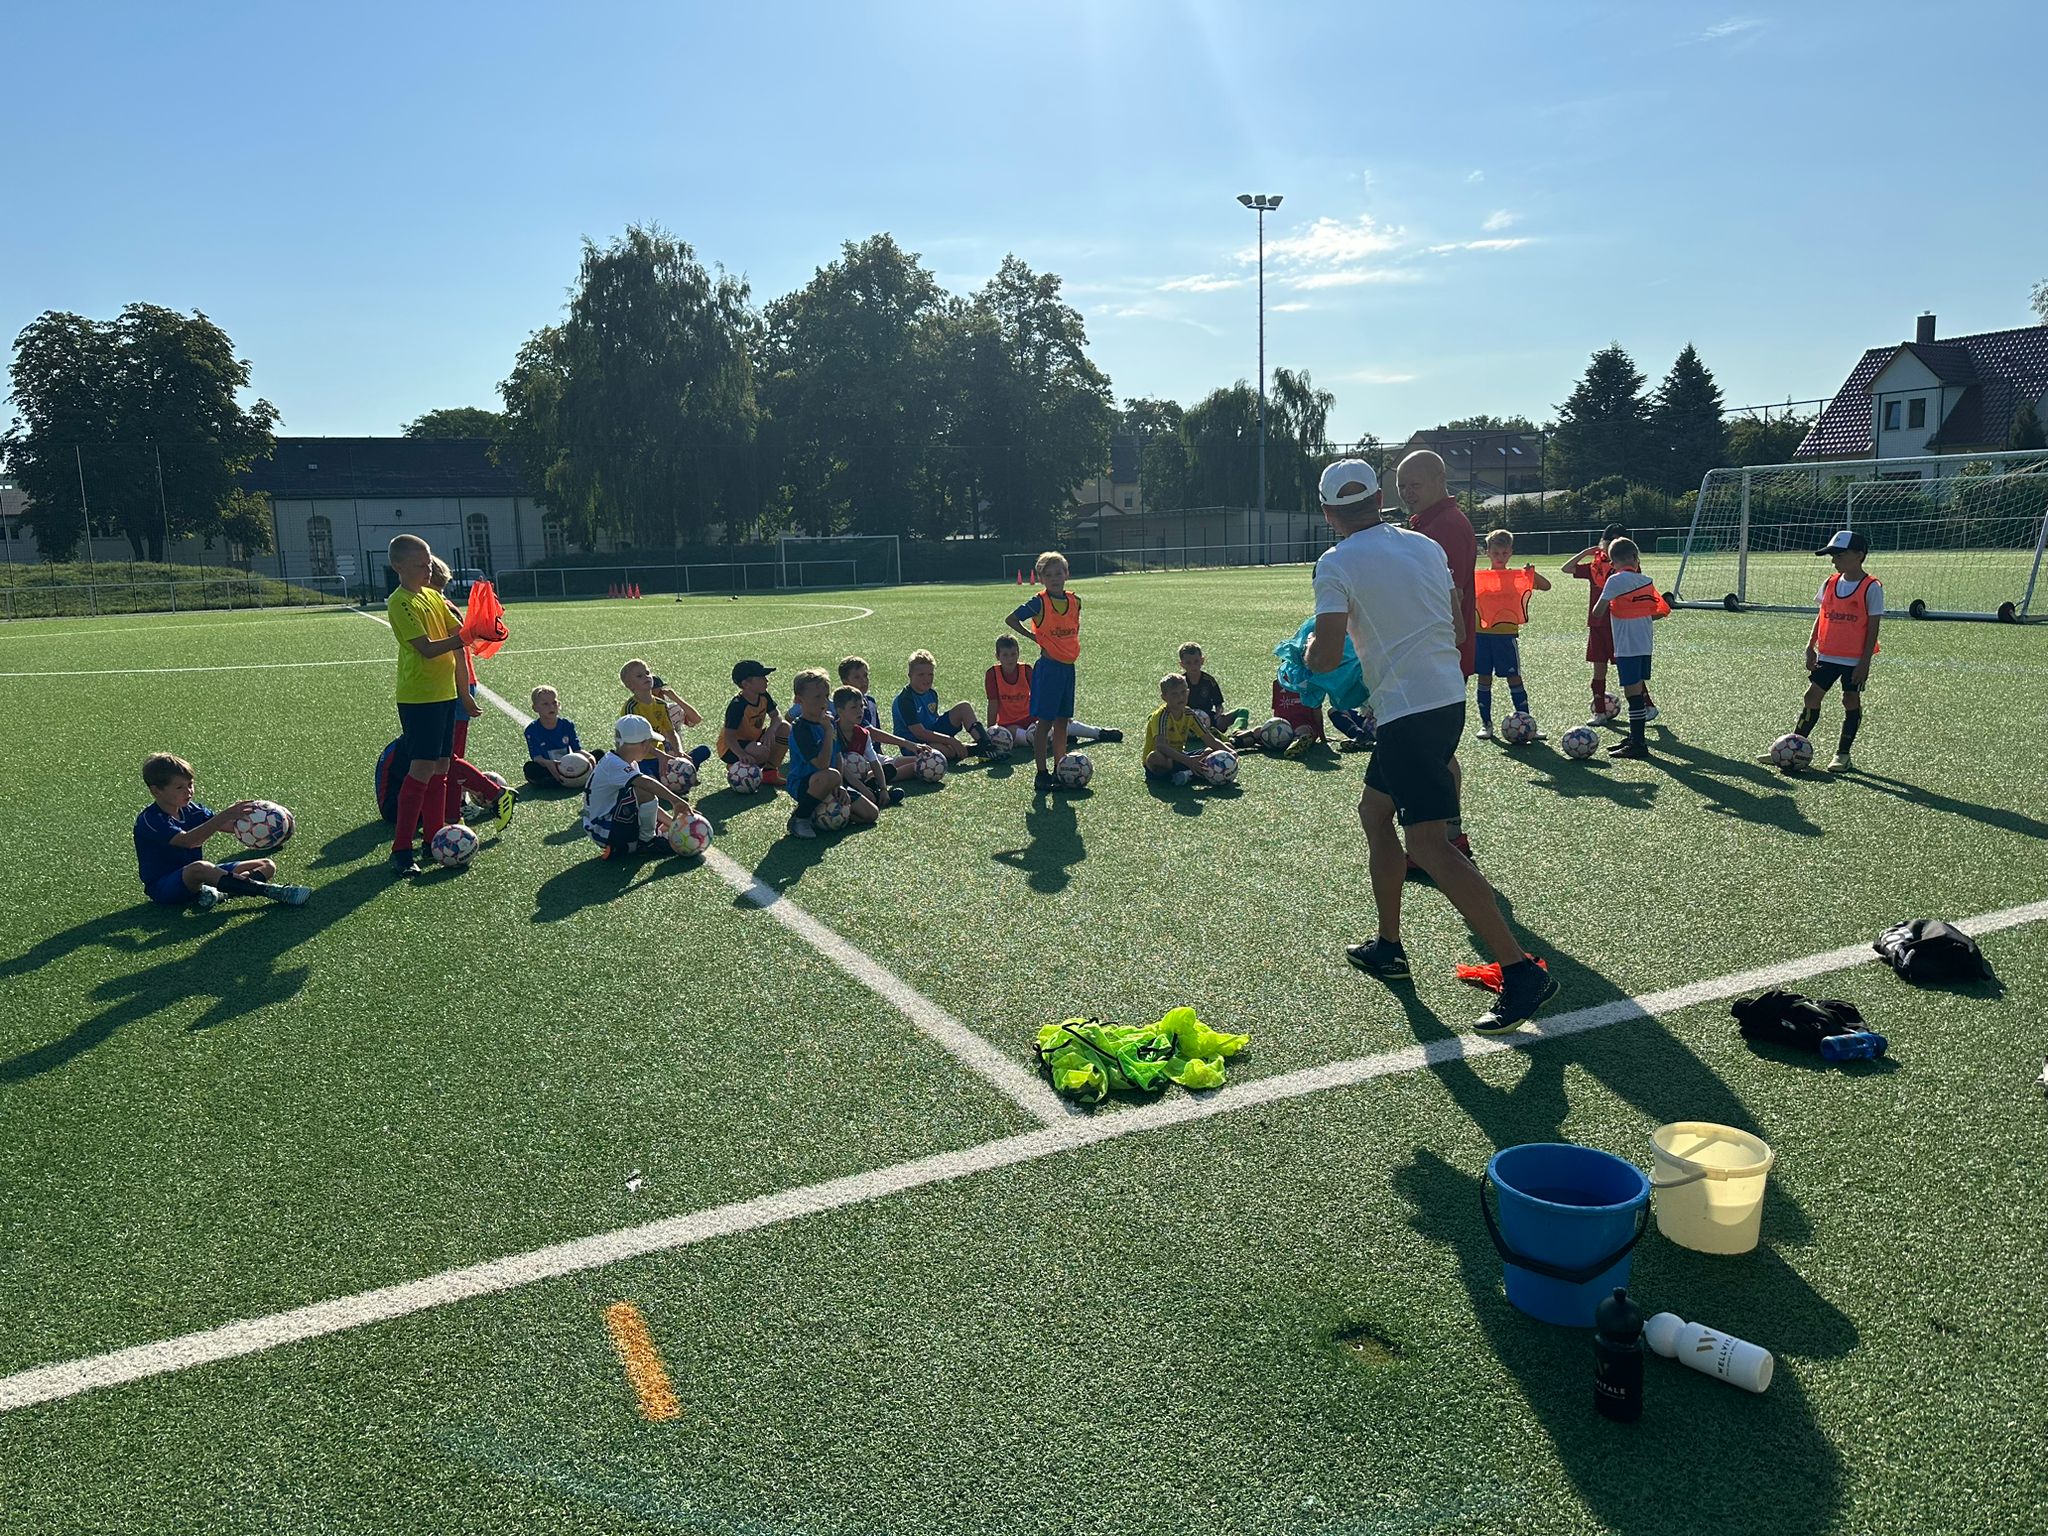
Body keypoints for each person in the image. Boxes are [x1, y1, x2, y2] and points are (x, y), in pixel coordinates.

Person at [1304, 459, 1556, 1033]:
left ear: (1327, 513)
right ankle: (1389, 945)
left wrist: (1308, 657)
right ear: (1379, 499)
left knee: (1429, 843)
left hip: (1408, 712)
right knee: (1374, 812)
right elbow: (1459, 627)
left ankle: (1520, 971)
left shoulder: (1335, 562)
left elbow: (1326, 653)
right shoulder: (1424, 546)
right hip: (1444, 698)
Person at [1393, 451, 1478, 860]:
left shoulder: (1446, 527)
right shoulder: (1427, 523)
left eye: (1415, 484)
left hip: (1440, 656)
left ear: (1440, 480)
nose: (1407, 493)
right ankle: (1445, 836)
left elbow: (1450, 599)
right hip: (1436, 654)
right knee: (1436, 752)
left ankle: (1444, 840)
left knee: (1432, 753)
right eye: (1401, 486)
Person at [384, 534, 474, 876]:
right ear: (398, 566)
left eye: (429, 563)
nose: (428, 569)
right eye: (421, 565)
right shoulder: (400, 602)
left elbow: (459, 632)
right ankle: (401, 849)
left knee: (442, 767)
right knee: (421, 768)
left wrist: (481, 624)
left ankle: (434, 838)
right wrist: (464, 636)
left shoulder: (433, 596)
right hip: (419, 696)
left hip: (444, 694)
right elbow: (428, 648)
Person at [1758, 529, 1882, 773]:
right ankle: (1791, 748)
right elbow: (1822, 615)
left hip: (1854, 659)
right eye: (1832, 556)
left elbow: (1873, 627)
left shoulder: (1871, 587)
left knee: (1850, 700)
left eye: (1839, 555)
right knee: (1811, 697)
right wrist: (1810, 646)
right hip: (1827, 654)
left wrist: (1864, 662)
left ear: (1859, 555)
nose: (1834, 560)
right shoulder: (1830, 582)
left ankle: (1843, 754)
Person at [135, 753, 310, 910]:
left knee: (266, 865)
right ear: (156, 791)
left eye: (190, 784)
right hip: (164, 887)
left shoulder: (192, 809)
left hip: (201, 877)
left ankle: (219, 894)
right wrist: (226, 814)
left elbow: (229, 826)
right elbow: (189, 841)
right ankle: (273, 892)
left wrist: (262, 821)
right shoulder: (150, 820)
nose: (189, 791)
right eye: (180, 787)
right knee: (199, 867)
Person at [425, 556, 518, 831]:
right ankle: (452, 817)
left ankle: (496, 794)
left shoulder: (442, 607)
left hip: (456, 688)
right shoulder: (439, 606)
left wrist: (464, 693)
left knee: (447, 759)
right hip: (449, 687)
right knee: (448, 760)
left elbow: (459, 655)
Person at [1562, 523, 1657, 725]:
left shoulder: (1628, 569)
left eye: (1617, 541)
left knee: (1631, 673)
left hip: (1620, 627)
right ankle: (1600, 712)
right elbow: (1566, 568)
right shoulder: (1594, 567)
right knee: (1598, 670)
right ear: (1602, 543)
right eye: (1609, 541)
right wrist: (1586, 552)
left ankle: (1648, 706)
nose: (1612, 544)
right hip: (1597, 626)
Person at [1007, 550, 1085, 791]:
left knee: (1062, 722)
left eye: (1058, 573)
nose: (1054, 578)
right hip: (1049, 670)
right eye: (1048, 575)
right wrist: (1034, 637)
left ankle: (1060, 768)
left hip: (1068, 669)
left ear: (1066, 574)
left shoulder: (1075, 601)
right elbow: (1012, 619)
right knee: (1045, 723)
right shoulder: (1039, 602)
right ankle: (1041, 773)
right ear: (1041, 578)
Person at [1587, 537, 1669, 760]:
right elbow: (1659, 612)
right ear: (1635, 558)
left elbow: (1597, 612)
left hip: (1627, 644)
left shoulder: (1614, 580)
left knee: (1632, 694)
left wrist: (1613, 602)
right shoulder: (1646, 580)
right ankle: (1634, 737)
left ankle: (1638, 744)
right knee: (1636, 689)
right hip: (1645, 643)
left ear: (1612, 563)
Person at [1472, 530, 1553, 741]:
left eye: (1504, 553)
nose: (1500, 557)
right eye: (1495, 553)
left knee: (1514, 678)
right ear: (1487, 553)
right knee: (1484, 678)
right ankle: (1486, 724)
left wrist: (1531, 573)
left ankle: (1527, 723)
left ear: (1511, 553)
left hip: (1506, 636)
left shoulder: (1517, 577)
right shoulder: (1478, 577)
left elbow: (1546, 586)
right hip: (1481, 635)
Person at [786, 669, 883, 838]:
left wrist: (840, 786)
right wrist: (828, 732)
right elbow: (822, 765)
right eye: (817, 697)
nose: (824, 701)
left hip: (833, 782)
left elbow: (837, 756)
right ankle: (800, 818)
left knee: (871, 814)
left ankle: (823, 815)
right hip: (806, 784)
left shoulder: (829, 722)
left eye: (826, 696)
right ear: (799, 700)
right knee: (830, 775)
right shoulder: (801, 728)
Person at [584, 716, 698, 857]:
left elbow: (648, 803)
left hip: (603, 825)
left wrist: (675, 824)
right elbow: (647, 785)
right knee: (644, 788)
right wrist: (676, 800)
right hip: (604, 830)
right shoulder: (614, 764)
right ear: (643, 744)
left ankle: (636, 842)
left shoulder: (622, 762)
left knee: (644, 795)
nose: (650, 748)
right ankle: (646, 842)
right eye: (650, 743)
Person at [983, 634, 1122, 750]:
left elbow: (1040, 693)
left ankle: (1099, 733)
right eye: (1005, 655)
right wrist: (991, 732)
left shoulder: (1026, 670)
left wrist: (1055, 714)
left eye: (1013, 654)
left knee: (1061, 722)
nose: (1010, 659)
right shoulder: (992, 674)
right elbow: (993, 704)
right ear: (997, 656)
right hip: (1009, 724)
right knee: (1017, 734)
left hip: (1032, 718)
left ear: (1018, 653)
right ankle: (1054, 738)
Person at [891, 649, 992, 762]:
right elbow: (919, 733)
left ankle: (987, 745)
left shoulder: (931, 693)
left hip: (932, 731)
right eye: (921, 674)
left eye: (930, 674)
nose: (927, 679)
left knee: (964, 707)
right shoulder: (906, 699)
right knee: (939, 751)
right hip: (914, 744)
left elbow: (934, 719)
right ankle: (975, 750)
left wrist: (946, 738)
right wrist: (950, 740)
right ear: (910, 675)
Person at [838, 657, 921, 787]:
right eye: (857, 677)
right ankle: (876, 777)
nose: (863, 680)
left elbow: (875, 737)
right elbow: (872, 733)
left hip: (874, 755)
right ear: (845, 682)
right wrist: (908, 744)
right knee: (917, 766)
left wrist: (880, 753)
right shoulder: (845, 707)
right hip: (856, 757)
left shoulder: (870, 701)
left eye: (865, 675)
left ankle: (877, 777)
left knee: (922, 762)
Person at [1142, 674, 1229, 785]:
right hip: (1164, 761)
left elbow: (1210, 740)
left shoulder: (1189, 714)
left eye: (1183, 692)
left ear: (1188, 692)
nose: (1180, 697)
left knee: (1221, 750)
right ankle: (1186, 775)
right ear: (1164, 697)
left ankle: (1188, 775)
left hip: (1181, 758)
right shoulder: (1161, 716)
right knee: (1154, 758)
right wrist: (1188, 761)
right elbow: (1161, 746)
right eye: (1174, 694)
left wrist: (1230, 751)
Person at [831, 685, 909, 810]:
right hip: (838, 781)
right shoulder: (832, 732)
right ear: (840, 711)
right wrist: (864, 790)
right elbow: (843, 769)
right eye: (854, 707)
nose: (859, 711)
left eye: (861, 706)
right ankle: (873, 795)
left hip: (859, 777)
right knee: (851, 761)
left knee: (882, 769)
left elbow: (874, 761)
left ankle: (877, 793)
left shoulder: (863, 734)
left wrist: (884, 788)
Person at [719, 659, 790, 786]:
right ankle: (736, 766)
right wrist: (741, 754)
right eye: (761, 678)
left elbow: (776, 716)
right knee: (761, 752)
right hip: (731, 747)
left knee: (785, 727)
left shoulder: (764, 696)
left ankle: (769, 773)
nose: (766, 680)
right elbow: (729, 737)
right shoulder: (737, 705)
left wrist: (771, 730)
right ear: (745, 684)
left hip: (753, 740)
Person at [619, 658, 703, 758]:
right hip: (640, 759)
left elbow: (673, 731)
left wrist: (679, 751)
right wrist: (661, 755)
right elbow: (635, 740)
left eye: (647, 673)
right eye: (639, 676)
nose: (646, 677)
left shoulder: (662, 705)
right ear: (630, 685)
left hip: (661, 755)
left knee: (703, 751)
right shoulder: (632, 707)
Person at [522, 685, 586, 787]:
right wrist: (548, 763)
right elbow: (537, 758)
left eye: (554, 702)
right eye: (545, 704)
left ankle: (565, 778)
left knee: (598, 754)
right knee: (530, 768)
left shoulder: (567, 725)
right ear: (535, 708)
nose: (551, 707)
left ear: (559, 704)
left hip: (569, 764)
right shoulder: (532, 730)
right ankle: (554, 780)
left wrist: (589, 757)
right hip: (547, 768)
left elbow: (577, 750)